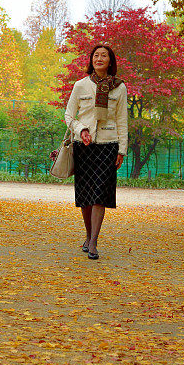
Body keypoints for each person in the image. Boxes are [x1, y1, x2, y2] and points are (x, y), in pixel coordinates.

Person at [65, 44, 128, 261]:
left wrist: (122, 149)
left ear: (111, 61)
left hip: (109, 145)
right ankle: (88, 234)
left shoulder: (119, 87)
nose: (99, 58)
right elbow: (69, 115)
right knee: (85, 196)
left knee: (100, 193)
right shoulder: (80, 85)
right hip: (84, 145)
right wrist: (81, 130)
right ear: (91, 60)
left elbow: (122, 119)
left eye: (104, 56)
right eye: (96, 55)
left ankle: (93, 242)